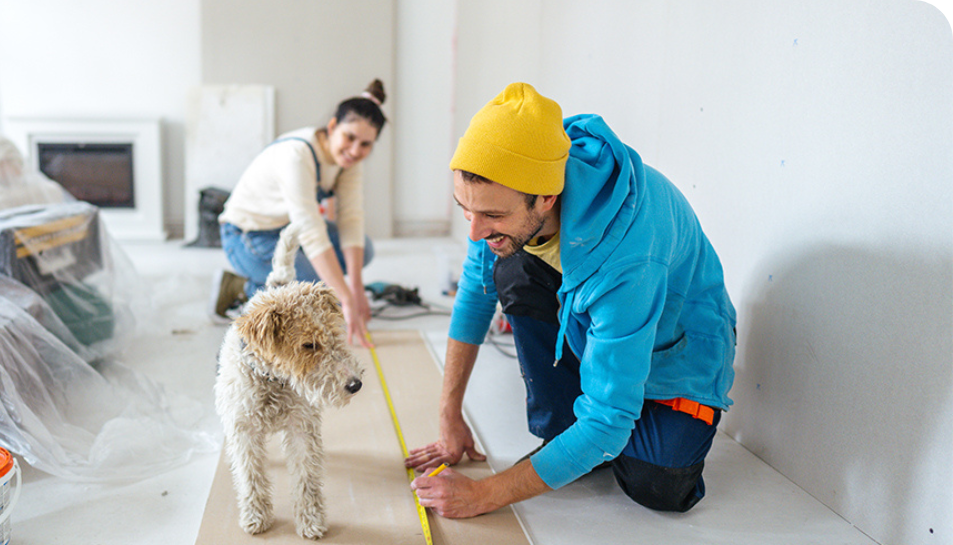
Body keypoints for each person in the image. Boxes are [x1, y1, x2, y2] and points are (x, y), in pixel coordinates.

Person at [406, 83, 737, 517]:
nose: (475, 230)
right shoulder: (506, 184)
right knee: (509, 265)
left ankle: (590, 435)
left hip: (675, 359)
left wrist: (485, 494)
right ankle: (567, 432)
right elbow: (474, 293)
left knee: (657, 486)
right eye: (465, 209)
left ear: (547, 197)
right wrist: (450, 413)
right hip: (600, 327)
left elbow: (609, 424)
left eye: (492, 216)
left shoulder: (629, 249)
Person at [213, 80, 388, 347]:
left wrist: (356, 289)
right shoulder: (296, 155)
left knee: (365, 248)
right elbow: (310, 230)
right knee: (315, 288)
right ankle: (244, 289)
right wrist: (344, 298)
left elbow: (351, 219)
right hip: (247, 236)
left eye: (365, 144)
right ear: (332, 127)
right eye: (349, 138)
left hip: (287, 230)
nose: (355, 150)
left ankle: (263, 281)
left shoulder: (349, 161)